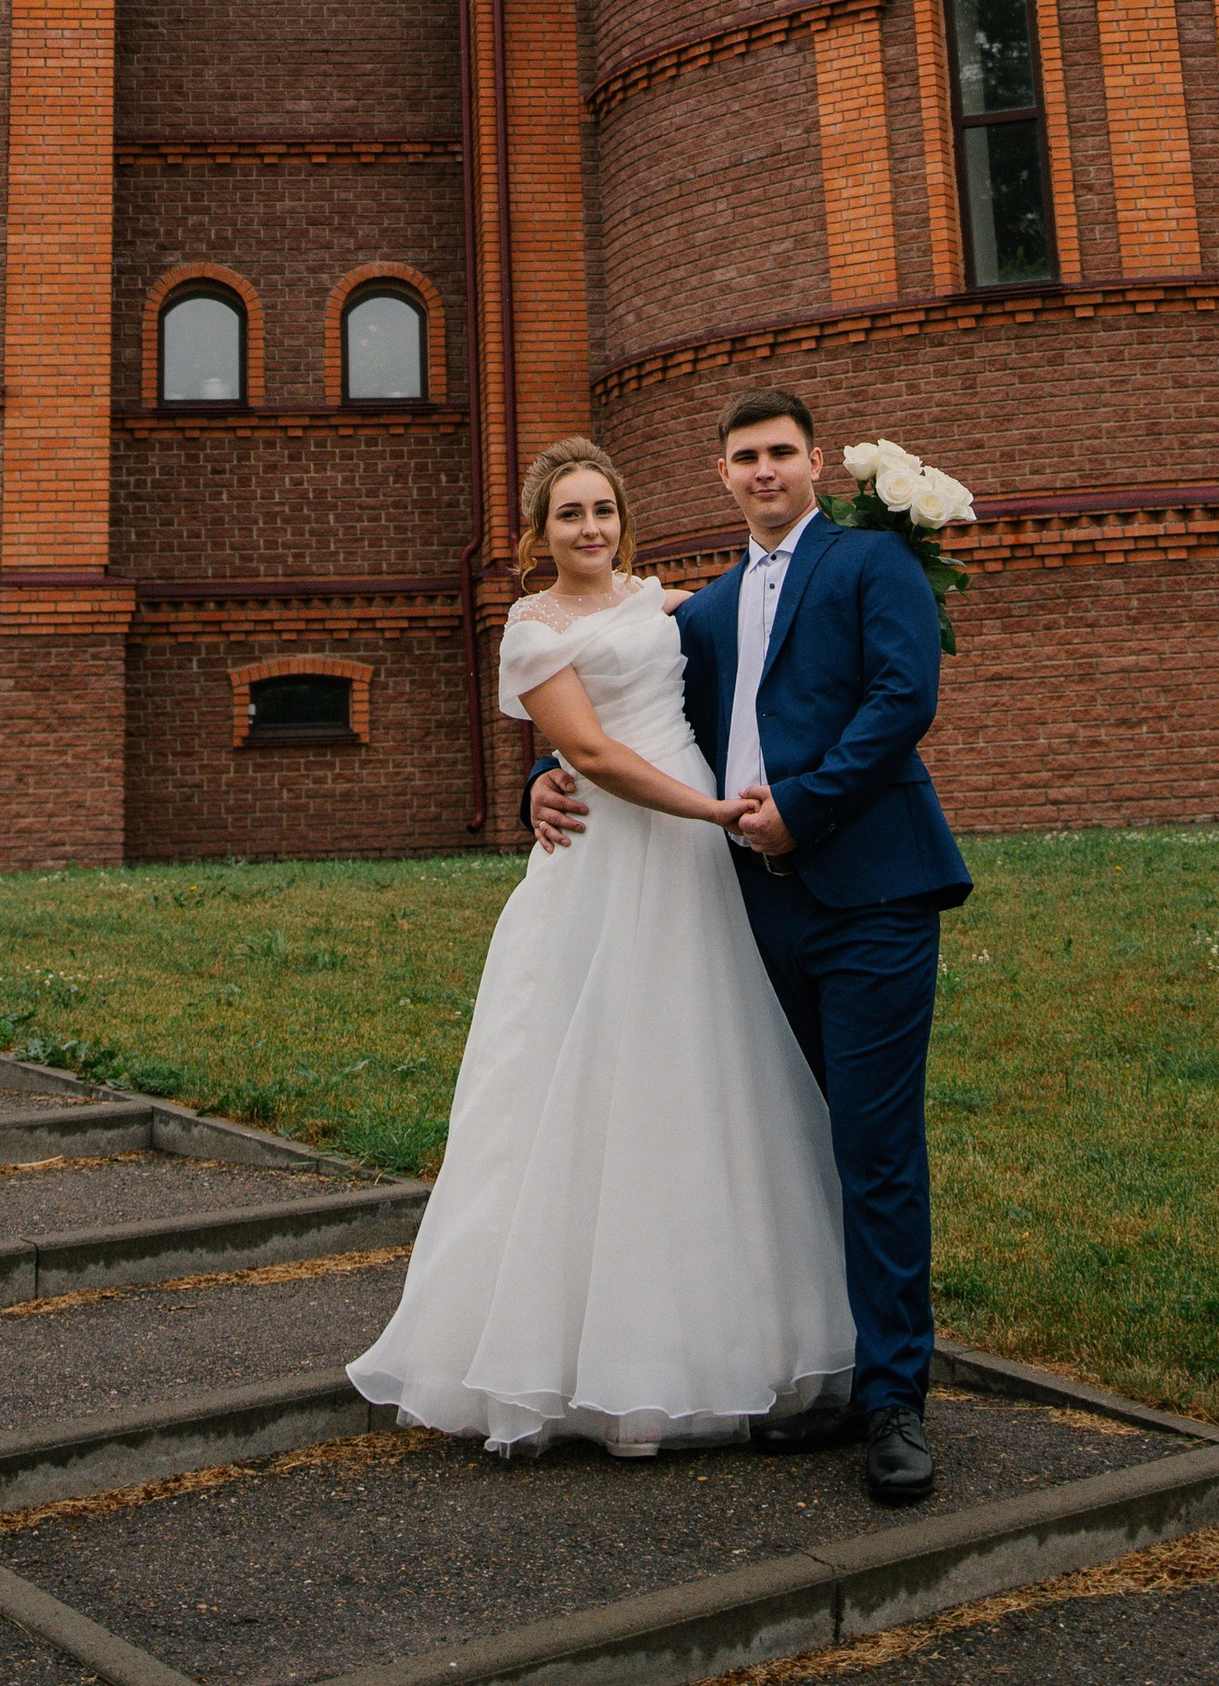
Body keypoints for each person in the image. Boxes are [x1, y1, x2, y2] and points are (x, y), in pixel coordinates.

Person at [348, 435, 853, 1459]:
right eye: (571, 513)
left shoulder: (665, 603)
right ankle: (563, 1346)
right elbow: (586, 749)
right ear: (541, 531)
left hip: (688, 870)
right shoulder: (532, 626)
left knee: (701, 1069)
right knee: (583, 1074)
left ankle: (729, 1335)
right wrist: (709, 806)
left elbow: (742, 650)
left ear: (626, 518)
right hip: (614, 850)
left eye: (604, 510)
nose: (590, 527)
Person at [527, 389, 970, 1506]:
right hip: (751, 905)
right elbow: (630, 717)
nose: (763, 469)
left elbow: (901, 697)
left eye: (779, 451)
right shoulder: (707, 610)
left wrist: (805, 805)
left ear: (816, 461)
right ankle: (836, 1366)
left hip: (871, 891)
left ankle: (896, 1398)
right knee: (792, 1136)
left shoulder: (874, 565)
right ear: (719, 475)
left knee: (872, 1143)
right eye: (743, 456)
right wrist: (550, 776)